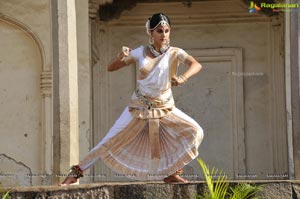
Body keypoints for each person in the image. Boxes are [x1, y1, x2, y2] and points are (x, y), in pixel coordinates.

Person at [60, 13, 204, 186]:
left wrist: (183, 77)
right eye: (159, 31)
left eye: (166, 31)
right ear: (151, 33)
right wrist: (120, 57)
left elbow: (196, 64)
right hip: (139, 107)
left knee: (196, 131)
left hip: (165, 106)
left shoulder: (175, 53)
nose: (164, 34)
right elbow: (111, 68)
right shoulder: (140, 53)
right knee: (109, 140)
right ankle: (76, 172)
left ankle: (172, 172)